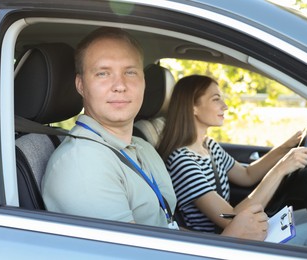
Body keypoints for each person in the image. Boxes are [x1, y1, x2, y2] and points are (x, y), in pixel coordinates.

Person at [41, 27, 268, 241]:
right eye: (103, 73)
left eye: (130, 72)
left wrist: (219, 240)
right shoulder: (82, 165)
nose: (120, 85)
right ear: (81, 85)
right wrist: (230, 241)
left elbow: (164, 228)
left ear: (143, 82)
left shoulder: (142, 147)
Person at [157, 75, 307, 247]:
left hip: (244, 232)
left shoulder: (208, 146)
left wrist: (285, 147)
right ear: (192, 107)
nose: (225, 106)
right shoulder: (182, 161)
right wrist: (281, 169)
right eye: (216, 99)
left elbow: (247, 175)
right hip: (221, 244)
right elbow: (231, 220)